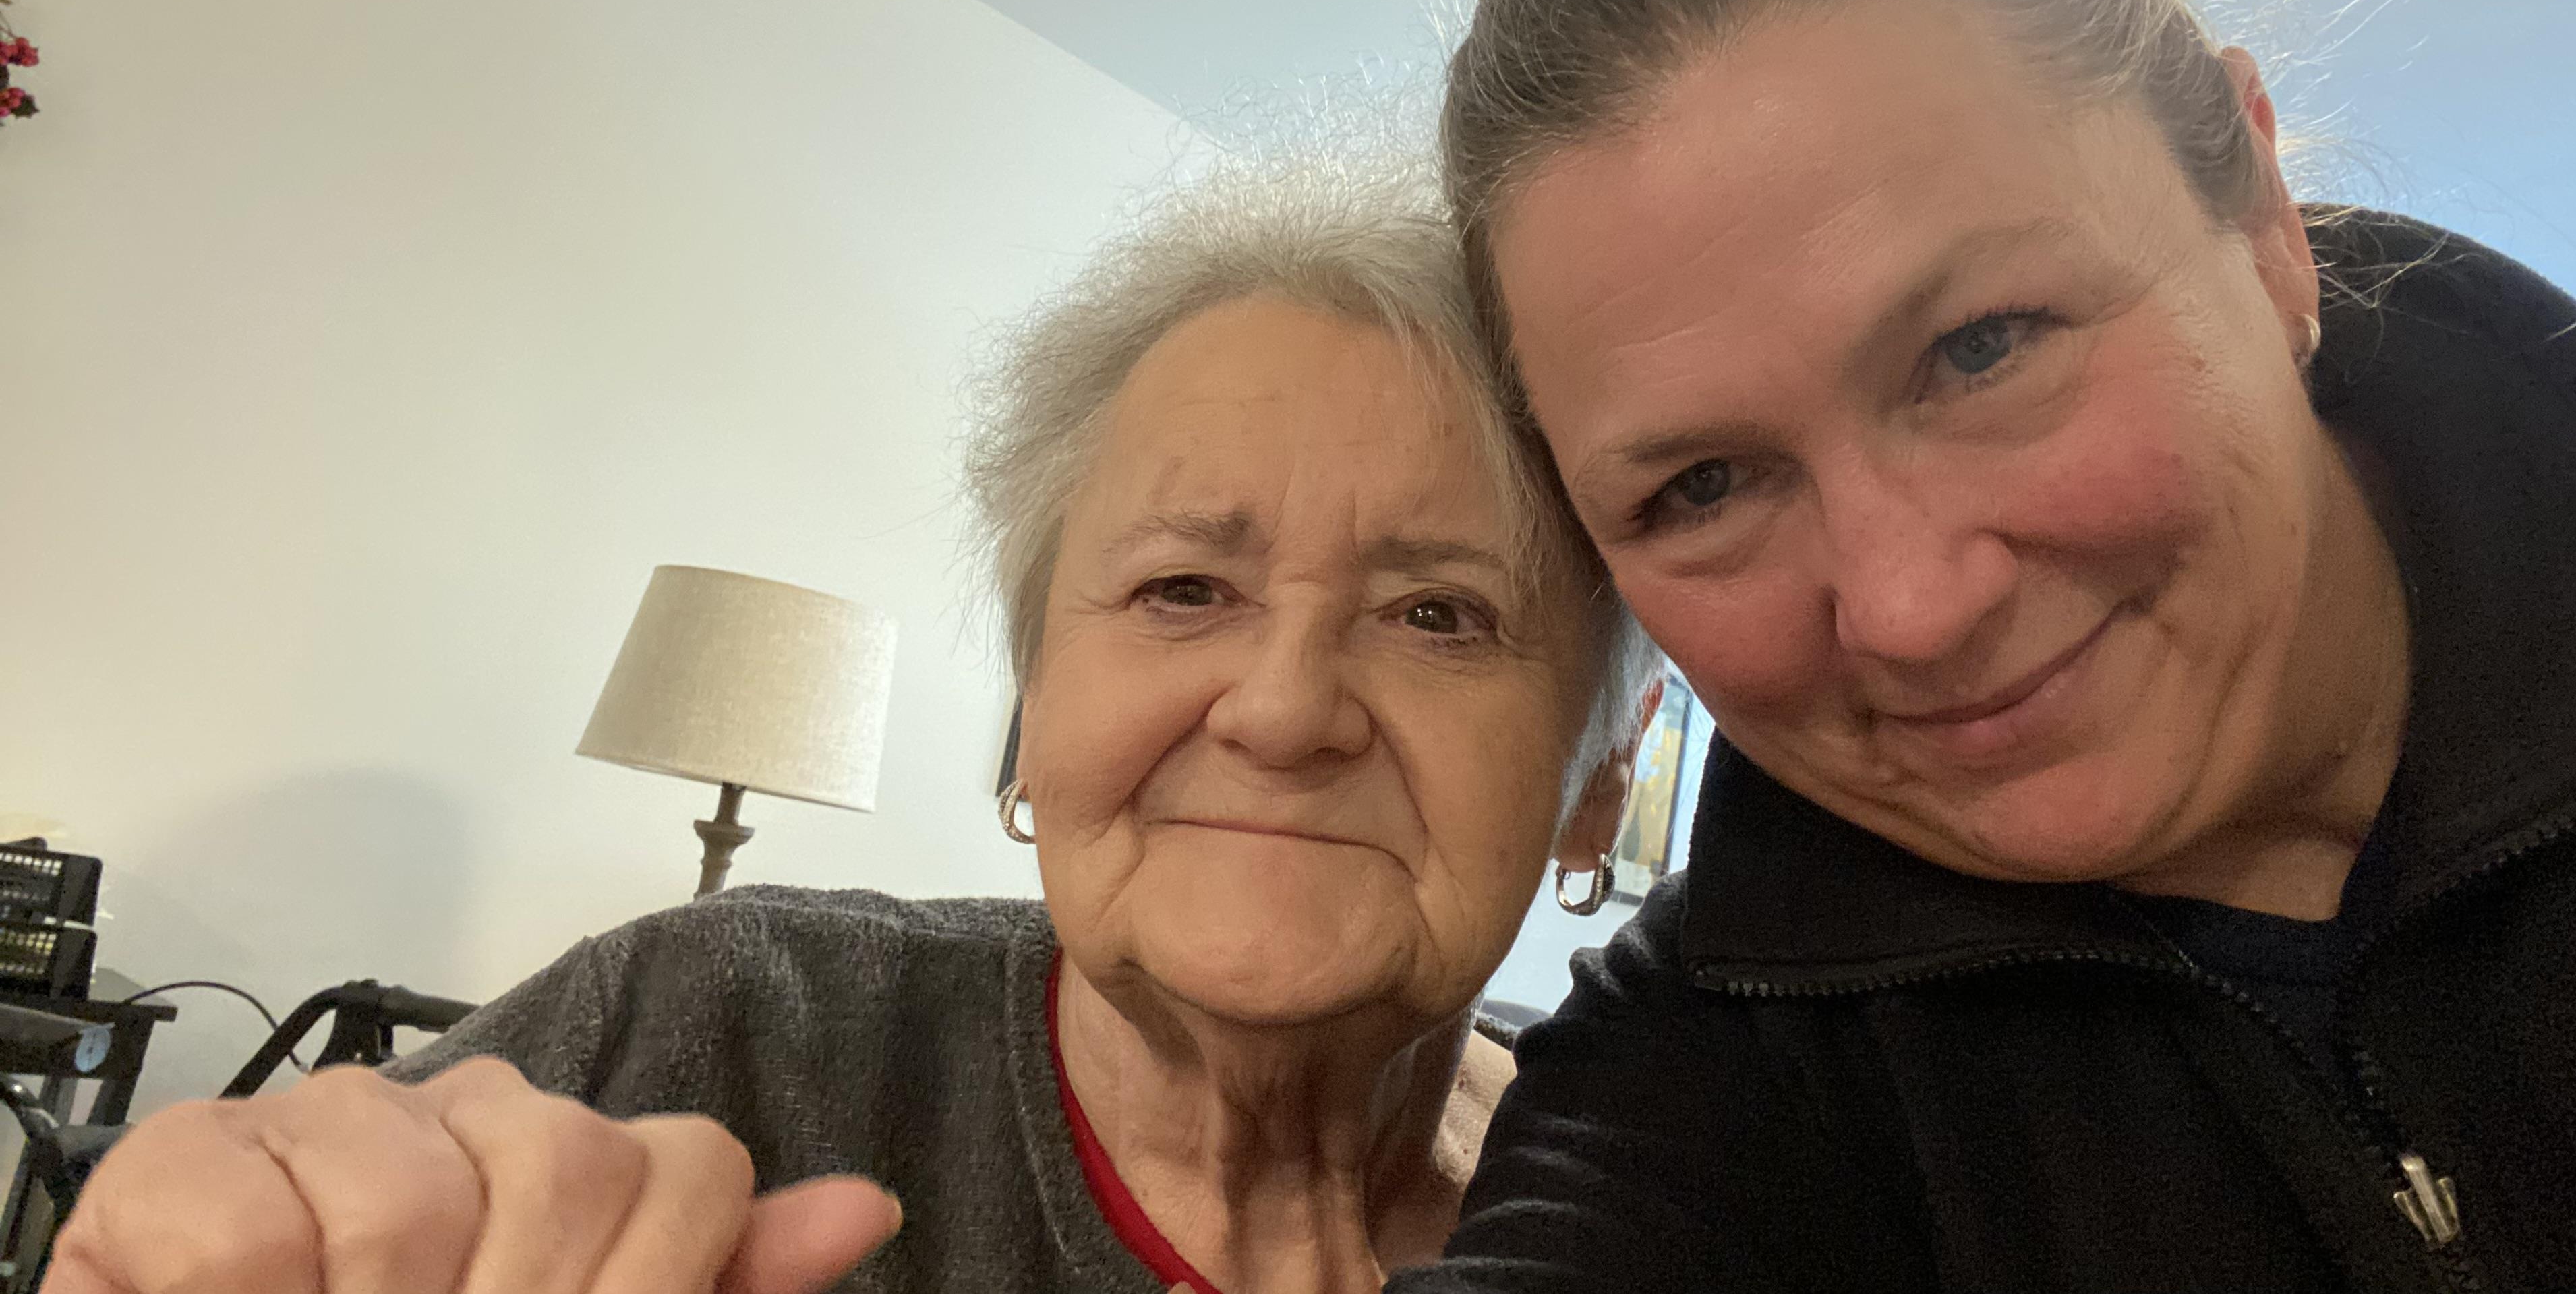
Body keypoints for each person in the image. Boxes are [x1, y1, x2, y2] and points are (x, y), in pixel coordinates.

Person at [1393, 0, 2576, 1291]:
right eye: (1701, 487)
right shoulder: (1717, 1061)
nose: (1909, 606)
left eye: (1984, 345)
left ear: (2266, 221)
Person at [42, 154, 1654, 1294]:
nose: (1287, 708)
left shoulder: (1675, 1197)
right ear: (1035, 717)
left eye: (1442, 613)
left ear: (1599, 785)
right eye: (1180, 590)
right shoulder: (719, 1029)